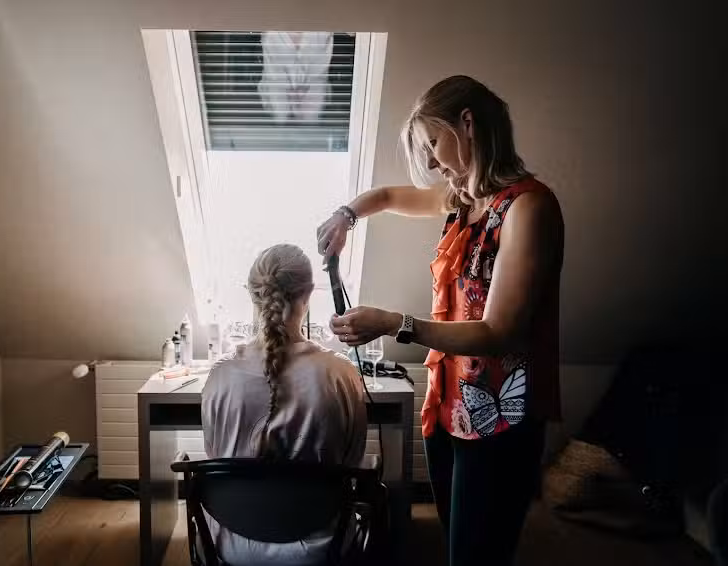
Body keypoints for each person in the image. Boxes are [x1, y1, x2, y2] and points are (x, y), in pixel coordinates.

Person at [317, 75, 564, 565]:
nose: (430, 163)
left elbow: (499, 332)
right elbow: (387, 196)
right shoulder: (464, 202)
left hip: (499, 422)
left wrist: (393, 323)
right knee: (459, 548)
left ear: (467, 125)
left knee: (477, 555)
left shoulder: (528, 208)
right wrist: (345, 216)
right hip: (448, 410)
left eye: (433, 143)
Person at [201, 243, 368, 566]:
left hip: (234, 545)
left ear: (252, 295)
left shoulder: (220, 376)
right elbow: (353, 462)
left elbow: (215, 457)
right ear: (307, 295)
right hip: (320, 546)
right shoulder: (339, 373)